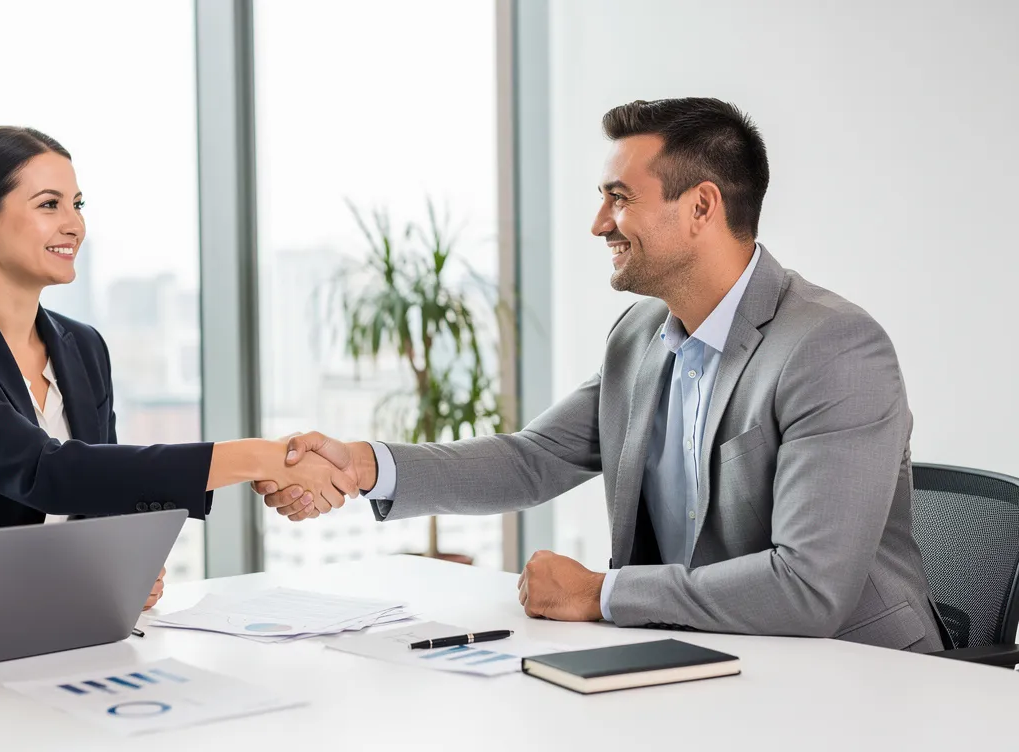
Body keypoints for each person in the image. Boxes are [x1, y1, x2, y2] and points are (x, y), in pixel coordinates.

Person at [257, 98, 942, 652]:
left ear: (701, 207)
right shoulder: (641, 337)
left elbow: (807, 588)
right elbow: (533, 460)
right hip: (718, 663)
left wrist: (599, 594)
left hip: (862, 677)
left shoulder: (833, 349)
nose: (598, 224)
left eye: (619, 198)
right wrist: (363, 466)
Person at [0, 126, 352, 627]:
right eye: (48, 205)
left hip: (40, 624)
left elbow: (101, 490)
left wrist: (120, 571)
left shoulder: (82, 347)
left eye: (76, 204)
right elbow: (44, 472)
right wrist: (261, 457)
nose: (74, 223)